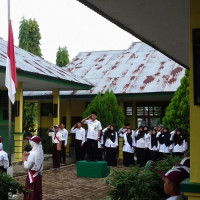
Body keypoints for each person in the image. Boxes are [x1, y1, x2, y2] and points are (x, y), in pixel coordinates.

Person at [22, 136, 44, 200]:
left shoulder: (32, 154)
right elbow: (34, 154)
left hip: (32, 175)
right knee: (37, 190)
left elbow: (27, 166)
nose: (30, 142)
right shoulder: (40, 151)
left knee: (31, 191)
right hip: (38, 174)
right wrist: (28, 153)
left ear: (34, 143)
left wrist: (24, 160)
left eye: (31, 141)